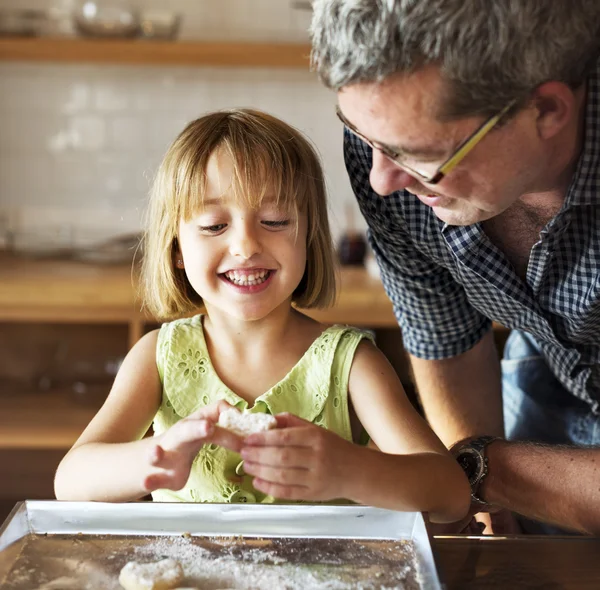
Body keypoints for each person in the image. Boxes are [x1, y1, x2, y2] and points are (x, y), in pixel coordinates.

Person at [54, 108, 469, 523]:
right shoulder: (157, 357)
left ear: (309, 235)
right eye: (215, 225)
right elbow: (70, 480)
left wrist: (351, 471)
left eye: (274, 220)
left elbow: (450, 494)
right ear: (177, 249)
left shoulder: (350, 362)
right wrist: (156, 458)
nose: (246, 245)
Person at [310, 0, 600, 535]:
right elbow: (445, 338)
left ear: (548, 112)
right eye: (363, 136)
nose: (380, 180)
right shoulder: (388, 154)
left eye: (422, 157)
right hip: (547, 375)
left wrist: (477, 470)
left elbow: (471, 469)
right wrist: (485, 504)